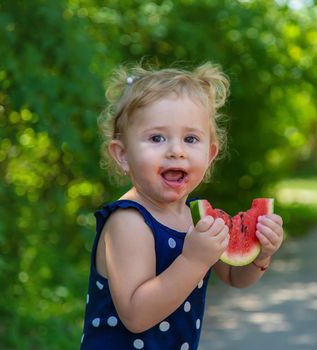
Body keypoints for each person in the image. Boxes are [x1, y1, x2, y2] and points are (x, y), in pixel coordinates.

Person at [80, 62, 284, 349]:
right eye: (156, 138)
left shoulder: (193, 216)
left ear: (210, 154)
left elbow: (235, 276)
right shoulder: (128, 221)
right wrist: (193, 260)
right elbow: (136, 316)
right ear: (123, 154)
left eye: (190, 138)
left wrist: (261, 255)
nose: (176, 150)